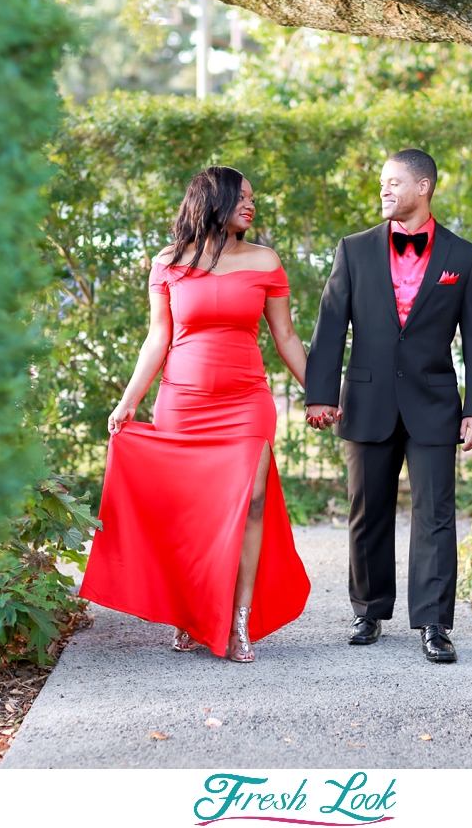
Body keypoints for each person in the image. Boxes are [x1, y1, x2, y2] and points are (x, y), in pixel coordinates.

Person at [78, 166, 311, 663]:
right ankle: (192, 613)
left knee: (251, 503)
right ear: (214, 200)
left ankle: (237, 622)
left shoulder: (266, 261)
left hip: (247, 401)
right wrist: (128, 400)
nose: (252, 205)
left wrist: (318, 393)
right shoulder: (169, 262)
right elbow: (158, 336)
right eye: (242, 197)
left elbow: (285, 337)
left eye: (254, 198)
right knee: (187, 509)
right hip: (182, 400)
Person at [303, 149, 472, 664]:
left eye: (394, 183)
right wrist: (320, 394)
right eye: (382, 184)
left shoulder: (463, 257)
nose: (385, 191)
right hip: (366, 398)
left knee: (435, 516)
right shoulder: (354, 249)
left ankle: (435, 622)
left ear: (424, 187)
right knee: (368, 512)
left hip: (434, 404)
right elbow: (329, 327)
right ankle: (368, 610)